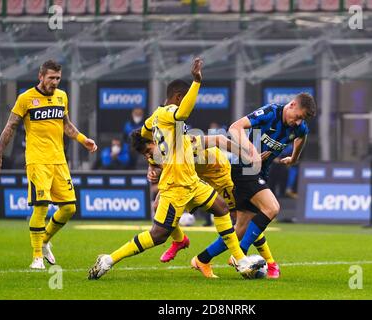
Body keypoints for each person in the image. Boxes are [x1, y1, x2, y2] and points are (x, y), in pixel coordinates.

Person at [88, 57, 263, 280]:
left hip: (192, 180)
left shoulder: (152, 120)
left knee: (220, 208)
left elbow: (142, 136)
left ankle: (240, 260)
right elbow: (181, 114)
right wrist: (197, 82)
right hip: (176, 185)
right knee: (158, 235)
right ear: (179, 97)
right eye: (186, 98)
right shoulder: (168, 111)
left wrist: (152, 164)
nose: (188, 104)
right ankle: (109, 260)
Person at [0, 60, 98, 270]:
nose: (55, 82)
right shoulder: (26, 98)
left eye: (58, 78)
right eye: (51, 78)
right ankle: (37, 257)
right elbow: (10, 127)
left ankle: (45, 239)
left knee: (69, 208)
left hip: (59, 160)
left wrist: (84, 139)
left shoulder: (62, 96)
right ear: (41, 76)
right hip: (37, 161)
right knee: (41, 206)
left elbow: (66, 125)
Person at [192, 92, 316, 277]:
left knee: (241, 228)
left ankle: (202, 259)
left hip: (259, 172)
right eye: (298, 117)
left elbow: (302, 136)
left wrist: (294, 158)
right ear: (291, 105)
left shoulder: (298, 127)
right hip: (244, 168)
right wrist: (251, 151)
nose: (298, 122)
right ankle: (240, 255)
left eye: (302, 119)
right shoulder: (271, 112)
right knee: (272, 208)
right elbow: (235, 127)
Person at [132, 130, 279, 278]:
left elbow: (220, 139)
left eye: (147, 151)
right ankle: (180, 241)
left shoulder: (185, 142)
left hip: (223, 176)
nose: (147, 156)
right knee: (158, 206)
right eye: (144, 154)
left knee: (243, 220)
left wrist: (247, 156)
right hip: (194, 181)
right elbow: (154, 163)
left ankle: (269, 262)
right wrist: (152, 170)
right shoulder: (159, 152)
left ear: (154, 141)